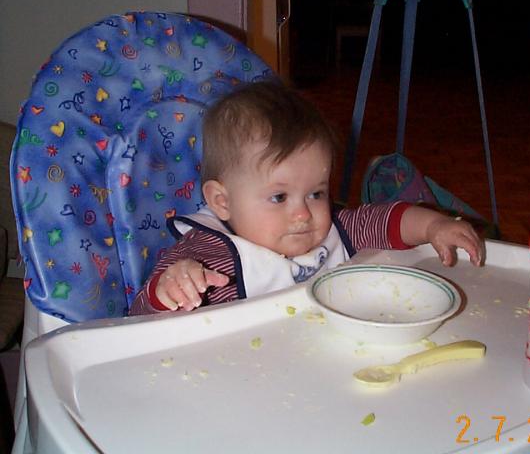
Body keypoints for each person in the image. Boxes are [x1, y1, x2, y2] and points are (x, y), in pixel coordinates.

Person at [129, 81, 484, 315]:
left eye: (316, 193)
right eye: (279, 197)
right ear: (223, 202)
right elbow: (141, 316)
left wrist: (433, 226)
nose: (303, 214)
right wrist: (170, 288)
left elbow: (385, 220)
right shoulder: (206, 255)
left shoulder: (334, 232)